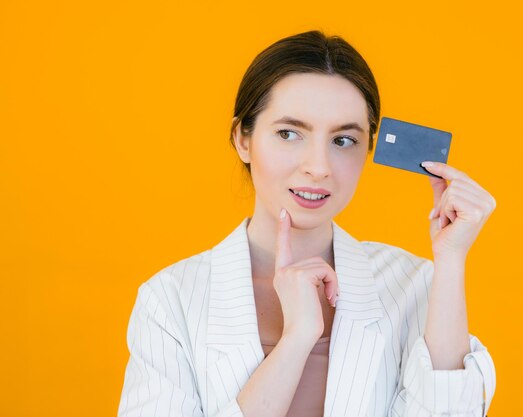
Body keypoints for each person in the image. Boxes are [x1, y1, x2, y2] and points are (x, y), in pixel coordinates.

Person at [117, 30, 497, 417]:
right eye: (288, 133)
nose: (318, 167)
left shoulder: (413, 286)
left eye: (344, 140)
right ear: (242, 140)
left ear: (368, 148)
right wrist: (296, 339)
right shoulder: (170, 300)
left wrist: (451, 260)